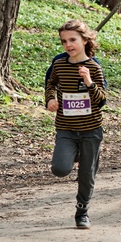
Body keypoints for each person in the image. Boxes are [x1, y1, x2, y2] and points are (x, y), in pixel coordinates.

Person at [45, 20, 107, 229]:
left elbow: (101, 101)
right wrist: (50, 99)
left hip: (91, 131)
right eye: (64, 41)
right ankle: (74, 153)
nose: (68, 45)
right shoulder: (60, 65)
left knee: (86, 175)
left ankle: (82, 212)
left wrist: (89, 82)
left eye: (73, 40)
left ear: (84, 40)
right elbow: (51, 84)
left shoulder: (93, 67)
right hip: (66, 129)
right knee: (60, 169)